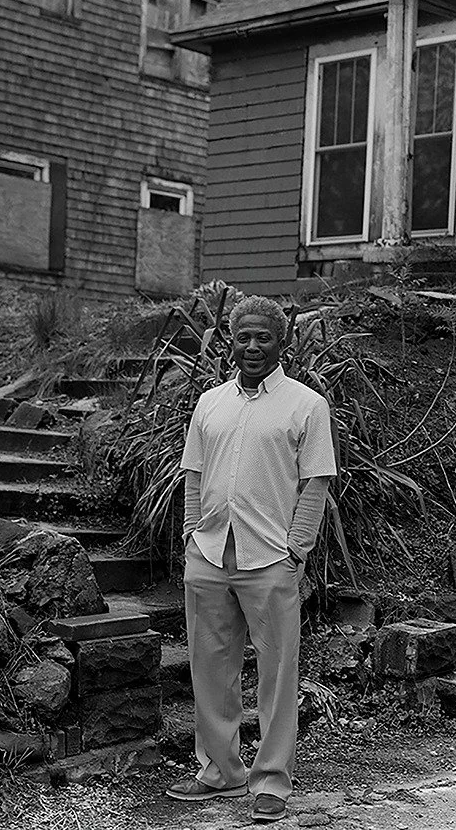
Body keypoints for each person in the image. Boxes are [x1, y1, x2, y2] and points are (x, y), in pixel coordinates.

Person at [166, 296, 336, 823]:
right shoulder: (210, 403)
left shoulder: (306, 404)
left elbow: (317, 482)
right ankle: (221, 772)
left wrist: (296, 550)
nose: (254, 347)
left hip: (271, 558)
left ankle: (271, 781)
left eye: (264, 337)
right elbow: (194, 473)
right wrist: (194, 534)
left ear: (281, 341)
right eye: (244, 337)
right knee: (210, 668)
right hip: (210, 552)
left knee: (278, 672)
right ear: (229, 342)